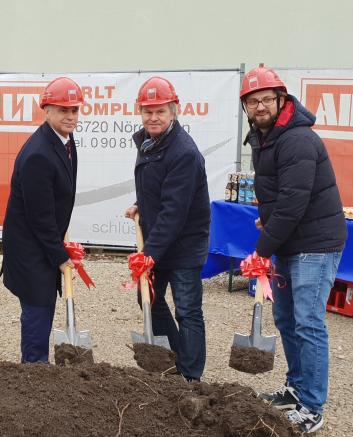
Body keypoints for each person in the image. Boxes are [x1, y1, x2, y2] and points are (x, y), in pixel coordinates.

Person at [241, 66, 346, 434]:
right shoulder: (264, 138)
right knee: (287, 320)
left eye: (267, 99)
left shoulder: (297, 139)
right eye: (253, 101)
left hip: (315, 245)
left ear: (281, 100)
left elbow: (293, 203)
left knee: (308, 322)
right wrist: (268, 221)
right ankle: (296, 387)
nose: (260, 106)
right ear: (246, 107)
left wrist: (261, 249)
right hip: (292, 241)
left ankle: (312, 405)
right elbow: (281, 198)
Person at [122, 76, 211, 381]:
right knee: (149, 300)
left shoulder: (183, 151)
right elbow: (161, 189)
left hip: (184, 245)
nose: (153, 117)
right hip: (161, 242)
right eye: (147, 111)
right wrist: (140, 204)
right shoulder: (150, 142)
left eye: (160, 111)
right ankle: (173, 359)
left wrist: (149, 254)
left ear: (174, 111)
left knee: (187, 310)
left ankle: (191, 376)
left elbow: (174, 210)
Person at [0, 76, 83, 363]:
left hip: (42, 243)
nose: (70, 116)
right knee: (38, 306)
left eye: (74, 110)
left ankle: (37, 369)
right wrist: (60, 256)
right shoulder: (39, 155)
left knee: (44, 303)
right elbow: (39, 217)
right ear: (46, 110)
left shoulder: (64, 141)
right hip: (29, 249)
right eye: (63, 110)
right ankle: (33, 370)